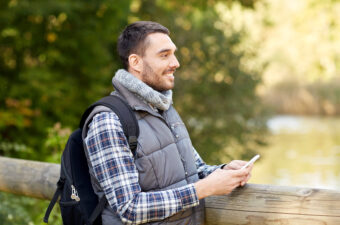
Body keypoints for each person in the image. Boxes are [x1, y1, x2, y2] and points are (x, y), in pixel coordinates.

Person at [84, 21, 253, 225]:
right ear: (136, 62)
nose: (176, 62)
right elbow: (129, 208)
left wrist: (223, 172)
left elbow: (194, 171)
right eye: (164, 55)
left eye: (174, 53)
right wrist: (204, 188)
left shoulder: (164, 107)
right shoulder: (108, 121)